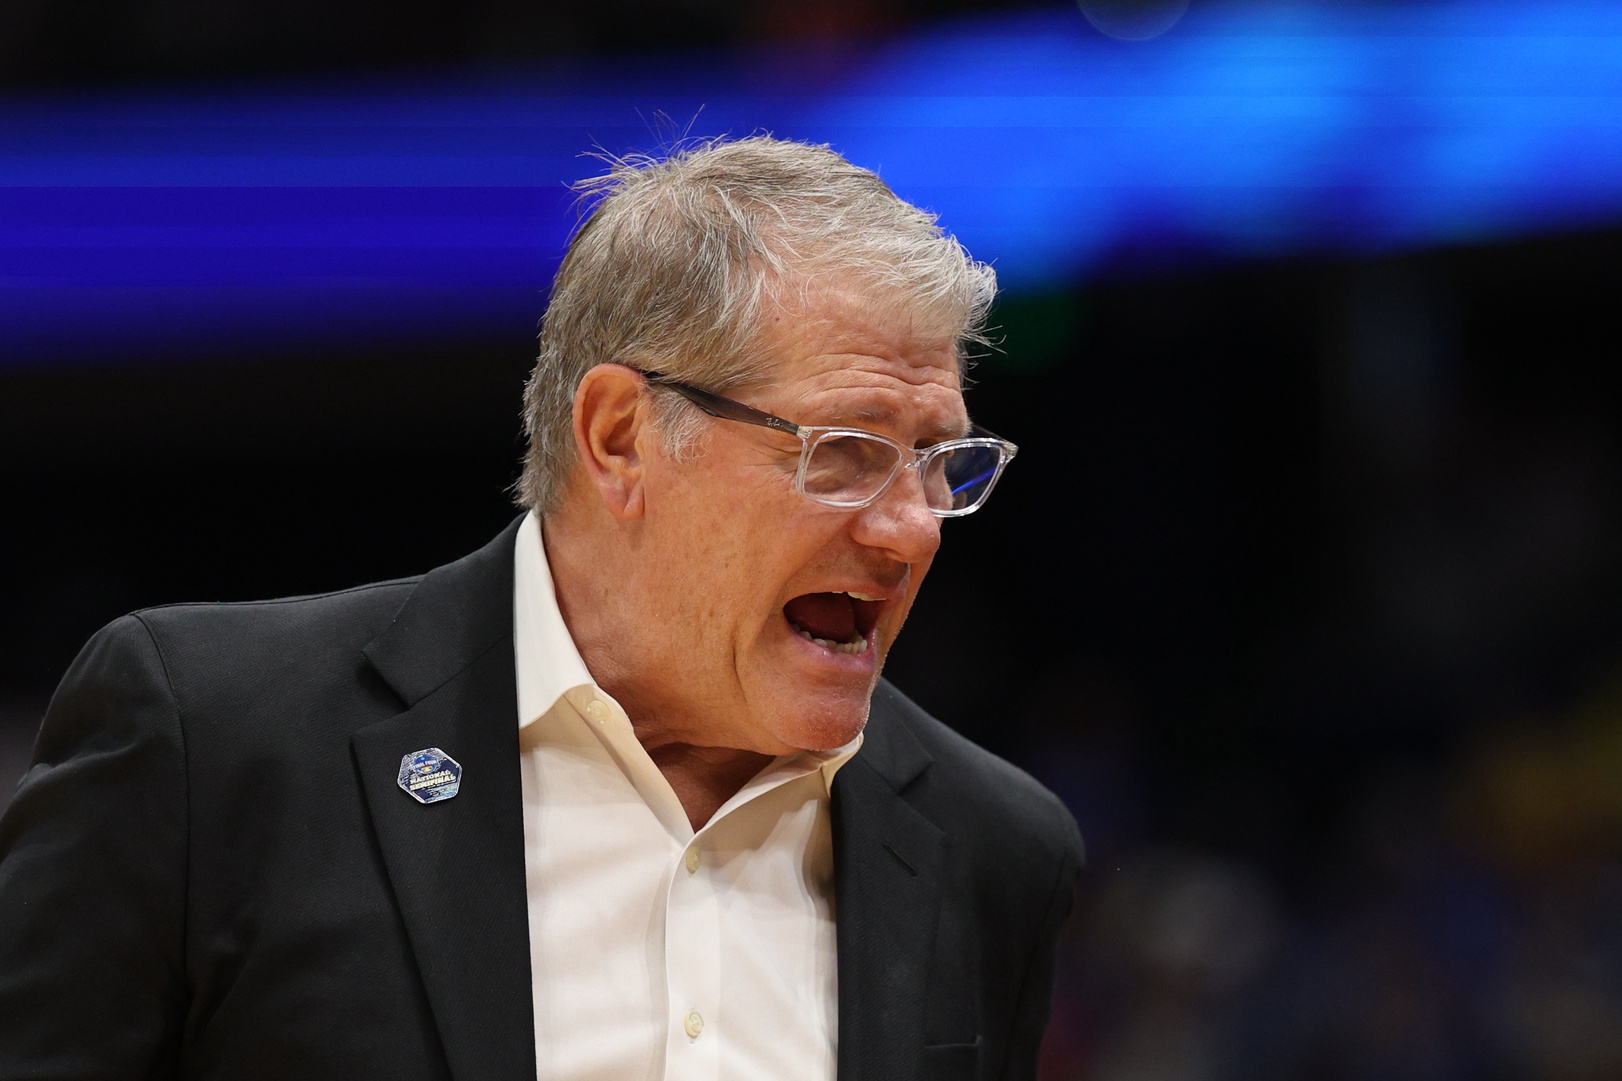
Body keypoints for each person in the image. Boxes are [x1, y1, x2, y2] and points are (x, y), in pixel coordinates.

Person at [0, 136, 1083, 1080]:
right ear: (619, 436)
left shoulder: (994, 850)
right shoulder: (213, 744)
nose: (910, 529)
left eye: (940, 463)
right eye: (843, 453)